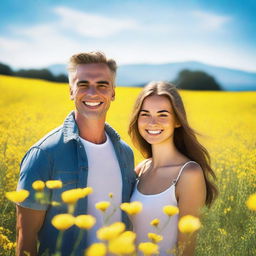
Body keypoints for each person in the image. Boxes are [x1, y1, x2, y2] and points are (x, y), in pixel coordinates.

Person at [16, 52, 136, 256]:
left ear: (113, 93)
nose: (92, 92)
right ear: (71, 91)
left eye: (102, 85)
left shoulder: (125, 153)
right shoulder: (44, 154)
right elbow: (25, 238)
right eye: (83, 84)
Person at [128, 81, 218, 256]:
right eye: (145, 114)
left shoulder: (189, 173)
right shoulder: (140, 170)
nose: (152, 122)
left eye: (162, 115)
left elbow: (186, 250)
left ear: (177, 121)